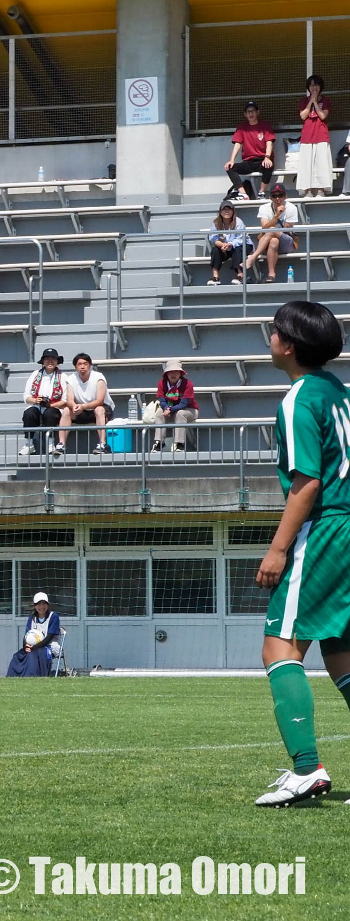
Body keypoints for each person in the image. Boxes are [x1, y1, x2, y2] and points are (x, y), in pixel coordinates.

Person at [251, 300, 350, 806]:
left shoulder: (299, 398)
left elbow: (307, 482)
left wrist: (277, 549)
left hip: (329, 527)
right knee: (341, 653)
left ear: (288, 345)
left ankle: (307, 769)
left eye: (273, 333)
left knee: (280, 646)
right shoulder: (341, 393)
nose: (268, 338)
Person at [246, 183, 301, 282]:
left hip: (287, 242)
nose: (277, 199)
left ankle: (253, 257)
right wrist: (276, 215)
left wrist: (273, 226)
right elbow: (264, 227)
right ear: (270, 197)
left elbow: (286, 229)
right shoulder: (264, 208)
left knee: (272, 231)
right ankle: (271, 274)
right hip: (268, 242)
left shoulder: (291, 208)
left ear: (285, 197)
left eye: (280, 195)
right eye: (274, 196)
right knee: (274, 241)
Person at [61, 352, 113, 454]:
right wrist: (74, 406)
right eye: (79, 364)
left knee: (99, 409)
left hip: (101, 409)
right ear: (75, 367)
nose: (82, 367)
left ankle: (103, 444)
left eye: (85, 364)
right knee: (67, 410)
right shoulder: (71, 378)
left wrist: (83, 406)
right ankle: (61, 445)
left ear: (90, 365)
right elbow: (69, 400)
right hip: (81, 411)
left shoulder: (98, 377)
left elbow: (100, 401)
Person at [21, 348, 68, 456]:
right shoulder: (35, 374)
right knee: (29, 413)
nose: (50, 362)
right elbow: (26, 396)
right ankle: (29, 444)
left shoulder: (63, 376)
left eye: (53, 359)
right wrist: (34, 400)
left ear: (57, 361)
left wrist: (50, 404)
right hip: (37, 406)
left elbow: (65, 400)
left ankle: (50, 444)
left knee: (50, 413)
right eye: (47, 359)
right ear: (43, 361)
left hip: (55, 407)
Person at [225, 100, 276, 199]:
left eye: (253, 111)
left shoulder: (265, 126)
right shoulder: (241, 128)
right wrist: (232, 160)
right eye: (248, 112)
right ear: (245, 114)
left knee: (269, 166)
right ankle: (243, 193)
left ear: (258, 112)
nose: (251, 114)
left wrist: (267, 157)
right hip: (248, 162)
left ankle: (261, 193)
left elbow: (269, 142)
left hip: (262, 160)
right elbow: (237, 144)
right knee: (230, 168)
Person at [151, 358, 198, 453]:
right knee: (159, 412)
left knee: (180, 414)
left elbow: (184, 403)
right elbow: (162, 400)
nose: (173, 374)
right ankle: (159, 442)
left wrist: (170, 409)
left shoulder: (188, 384)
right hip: (170, 410)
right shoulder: (162, 383)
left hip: (189, 410)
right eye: (170, 372)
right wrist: (165, 408)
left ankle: (179, 444)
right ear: (166, 374)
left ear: (181, 374)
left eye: (176, 372)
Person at [296, 74, 332, 197]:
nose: (314, 87)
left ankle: (321, 190)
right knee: (307, 164)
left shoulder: (326, 100)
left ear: (320, 86)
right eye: (311, 85)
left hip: (321, 135)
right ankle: (308, 190)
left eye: (316, 84)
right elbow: (303, 116)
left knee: (321, 163)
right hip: (307, 136)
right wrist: (310, 100)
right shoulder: (303, 101)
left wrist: (316, 102)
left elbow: (323, 115)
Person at [207, 198, 249, 285]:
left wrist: (229, 244)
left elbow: (241, 238)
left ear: (233, 211)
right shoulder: (216, 223)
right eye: (224, 209)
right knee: (215, 250)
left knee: (238, 248)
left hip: (244, 244)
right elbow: (213, 238)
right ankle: (215, 277)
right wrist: (222, 245)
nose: (227, 211)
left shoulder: (238, 222)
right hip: (225, 247)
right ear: (220, 211)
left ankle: (240, 276)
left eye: (229, 209)